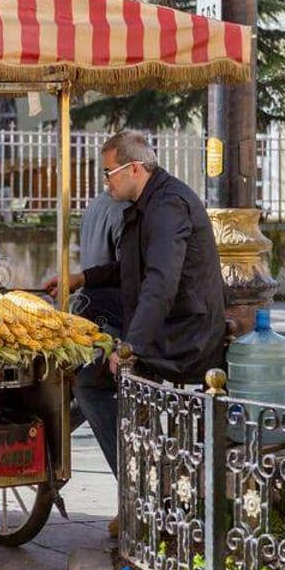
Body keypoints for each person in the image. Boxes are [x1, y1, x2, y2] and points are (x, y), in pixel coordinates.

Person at [66, 130, 225, 384]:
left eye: (109, 172)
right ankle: (128, 422)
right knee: (88, 306)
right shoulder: (145, 203)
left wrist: (131, 347)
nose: (106, 182)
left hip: (183, 336)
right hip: (165, 323)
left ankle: (133, 422)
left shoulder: (168, 206)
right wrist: (83, 278)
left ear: (135, 169)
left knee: (90, 384)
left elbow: (160, 284)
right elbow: (131, 267)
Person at [45, 189, 127, 537]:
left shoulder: (96, 204)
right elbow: (124, 273)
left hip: (93, 318)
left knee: (77, 398)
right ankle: (133, 497)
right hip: (110, 324)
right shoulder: (126, 210)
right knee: (92, 393)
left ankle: (46, 460)